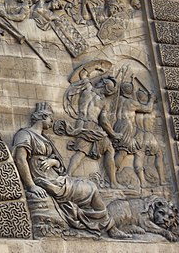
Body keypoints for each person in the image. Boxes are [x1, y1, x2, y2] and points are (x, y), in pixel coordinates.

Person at [12, 102, 129, 238]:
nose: (52, 122)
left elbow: (59, 165)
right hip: (47, 181)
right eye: (51, 118)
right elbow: (20, 159)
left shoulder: (45, 139)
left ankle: (109, 226)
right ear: (43, 117)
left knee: (90, 187)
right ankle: (110, 227)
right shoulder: (25, 134)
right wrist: (31, 186)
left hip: (57, 179)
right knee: (91, 188)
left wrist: (53, 161)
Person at [64, 77, 122, 189]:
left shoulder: (87, 90)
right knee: (107, 149)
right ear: (106, 87)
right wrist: (113, 134)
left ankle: (68, 175)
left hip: (81, 123)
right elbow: (104, 121)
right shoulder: (102, 102)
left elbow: (82, 75)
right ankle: (113, 183)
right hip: (92, 125)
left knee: (82, 152)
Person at [113, 82, 156, 187]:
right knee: (122, 152)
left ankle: (142, 181)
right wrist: (152, 99)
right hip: (126, 127)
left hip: (118, 125)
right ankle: (112, 176)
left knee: (133, 150)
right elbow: (148, 109)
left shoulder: (119, 100)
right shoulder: (132, 103)